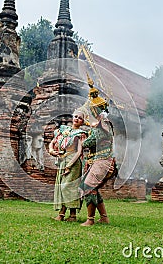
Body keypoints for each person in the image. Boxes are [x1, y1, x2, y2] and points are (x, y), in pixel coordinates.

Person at [79, 74, 117, 226]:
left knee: (87, 187)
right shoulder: (104, 123)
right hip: (101, 160)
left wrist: (83, 142)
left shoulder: (102, 124)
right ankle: (104, 217)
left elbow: (92, 140)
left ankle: (90, 220)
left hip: (102, 161)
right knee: (93, 188)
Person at [49, 110, 88, 222]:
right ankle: (62, 214)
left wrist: (69, 165)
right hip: (62, 160)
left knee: (69, 187)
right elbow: (52, 142)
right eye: (75, 116)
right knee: (61, 186)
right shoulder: (64, 130)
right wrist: (51, 150)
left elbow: (79, 151)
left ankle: (72, 215)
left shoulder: (81, 134)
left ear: (83, 121)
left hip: (73, 161)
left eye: (80, 118)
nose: (76, 119)